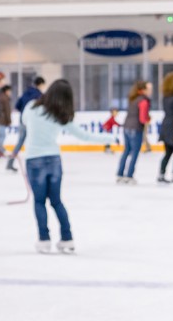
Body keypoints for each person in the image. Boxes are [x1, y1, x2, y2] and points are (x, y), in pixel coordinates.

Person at [22, 79, 114, 254]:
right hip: (54, 160)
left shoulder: (32, 107)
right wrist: (109, 138)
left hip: (34, 160)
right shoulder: (61, 115)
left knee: (40, 201)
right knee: (56, 201)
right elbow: (85, 136)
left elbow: (25, 122)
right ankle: (67, 238)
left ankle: (44, 240)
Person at [116, 80, 151, 185]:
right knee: (135, 153)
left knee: (127, 151)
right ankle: (129, 175)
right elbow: (142, 118)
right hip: (136, 128)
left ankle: (120, 174)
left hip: (126, 126)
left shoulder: (133, 98)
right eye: (148, 89)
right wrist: (148, 119)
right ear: (143, 90)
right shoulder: (143, 101)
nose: (150, 91)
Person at [9, 76, 45, 171]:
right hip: (33, 122)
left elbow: (17, 106)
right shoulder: (39, 95)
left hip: (22, 120)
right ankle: (37, 163)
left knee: (20, 142)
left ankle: (10, 162)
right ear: (40, 84)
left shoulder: (25, 93)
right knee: (35, 142)